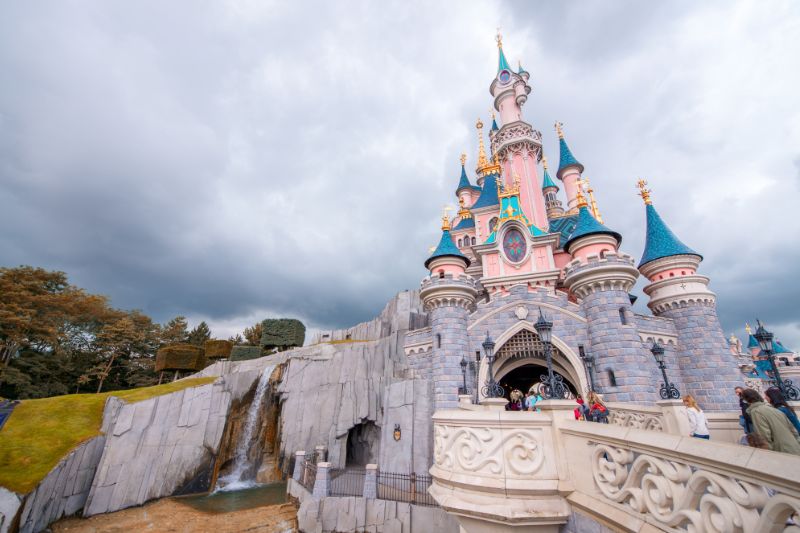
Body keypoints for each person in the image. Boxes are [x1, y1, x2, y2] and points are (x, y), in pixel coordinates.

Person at [742, 388, 800, 455]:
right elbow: (793, 430)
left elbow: (764, 437)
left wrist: (769, 456)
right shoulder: (775, 410)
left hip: (781, 452)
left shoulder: (756, 412)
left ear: (746, 400)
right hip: (794, 448)